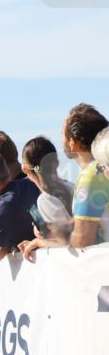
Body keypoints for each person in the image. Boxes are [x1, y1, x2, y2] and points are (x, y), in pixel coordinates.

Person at [21, 103, 109, 260]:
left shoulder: (90, 177)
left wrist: (44, 242)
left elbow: (82, 241)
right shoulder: (102, 170)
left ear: (72, 143)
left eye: (63, 135)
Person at [20, 136, 74, 242]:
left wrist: (39, 241)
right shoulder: (73, 186)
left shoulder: (46, 200)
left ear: (25, 169)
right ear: (57, 162)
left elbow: (66, 242)